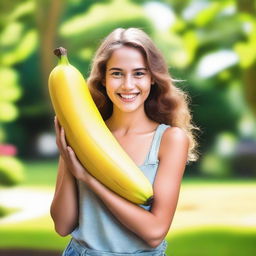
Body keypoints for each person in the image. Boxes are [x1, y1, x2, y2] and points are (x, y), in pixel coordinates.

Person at [50, 27, 200, 256]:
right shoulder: (81, 134)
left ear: (152, 79)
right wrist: (68, 159)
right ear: (103, 80)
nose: (128, 85)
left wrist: (88, 178)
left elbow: (154, 232)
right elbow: (62, 226)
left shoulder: (170, 140)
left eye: (139, 73)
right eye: (117, 73)